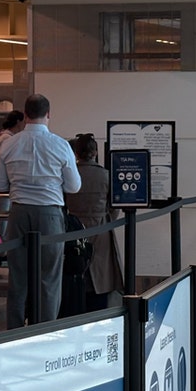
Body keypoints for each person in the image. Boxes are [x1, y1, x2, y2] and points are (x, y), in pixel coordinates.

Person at [0, 93, 82, 329]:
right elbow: (73, 186)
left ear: (25, 114)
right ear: (49, 114)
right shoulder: (60, 145)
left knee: (18, 276)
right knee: (49, 277)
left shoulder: (9, 144)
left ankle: (13, 330)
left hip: (19, 213)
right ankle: (45, 330)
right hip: (50, 214)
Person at [64, 133, 123, 313]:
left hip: (73, 228)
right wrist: (106, 221)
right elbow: (115, 207)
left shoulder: (70, 175)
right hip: (101, 228)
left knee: (75, 273)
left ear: (76, 153)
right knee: (101, 276)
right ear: (95, 152)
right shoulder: (106, 175)